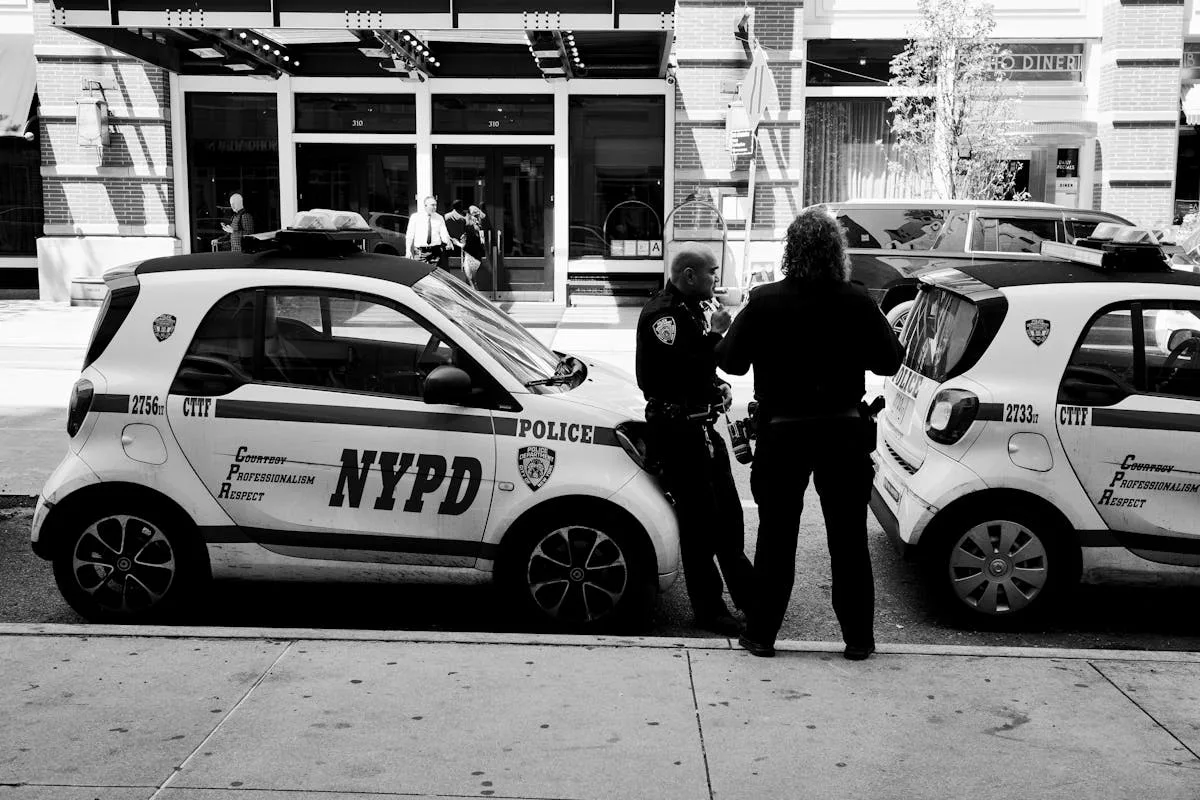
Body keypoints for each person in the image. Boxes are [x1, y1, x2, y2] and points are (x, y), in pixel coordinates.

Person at [715, 205, 903, 660]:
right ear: (836, 252)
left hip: (783, 433)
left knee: (776, 538)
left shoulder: (764, 301)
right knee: (848, 540)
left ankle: (761, 634)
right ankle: (859, 639)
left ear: (790, 251)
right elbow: (890, 361)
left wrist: (722, 330)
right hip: (842, 431)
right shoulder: (856, 300)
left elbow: (732, 362)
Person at [636, 245, 755, 636]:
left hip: (701, 428)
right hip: (677, 434)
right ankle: (709, 608)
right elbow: (681, 369)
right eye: (711, 273)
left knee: (729, 516)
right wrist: (718, 334)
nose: (715, 280)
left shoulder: (690, 308)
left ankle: (750, 596)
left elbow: (699, 373)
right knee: (700, 524)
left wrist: (717, 387)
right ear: (688, 276)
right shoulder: (662, 315)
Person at [405, 196, 452, 264]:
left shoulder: (439, 218)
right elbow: (410, 235)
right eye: (432, 205)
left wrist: (448, 241)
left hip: (435, 252)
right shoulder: (415, 217)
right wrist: (408, 250)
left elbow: (444, 234)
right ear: (425, 205)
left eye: (435, 205)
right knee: (420, 273)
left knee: (433, 273)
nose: (435, 207)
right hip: (420, 252)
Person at [461, 205, 489, 290]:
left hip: (475, 254)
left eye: (476, 215)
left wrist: (478, 214)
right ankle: (473, 294)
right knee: (470, 278)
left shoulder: (479, 225)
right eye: (473, 215)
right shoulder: (466, 223)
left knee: (472, 278)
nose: (475, 217)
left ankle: (474, 295)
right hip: (468, 253)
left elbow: (482, 241)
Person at [443, 199, 468, 270]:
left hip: (450, 242)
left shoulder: (446, 216)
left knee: (450, 264)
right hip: (460, 243)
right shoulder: (463, 218)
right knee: (460, 264)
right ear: (460, 206)